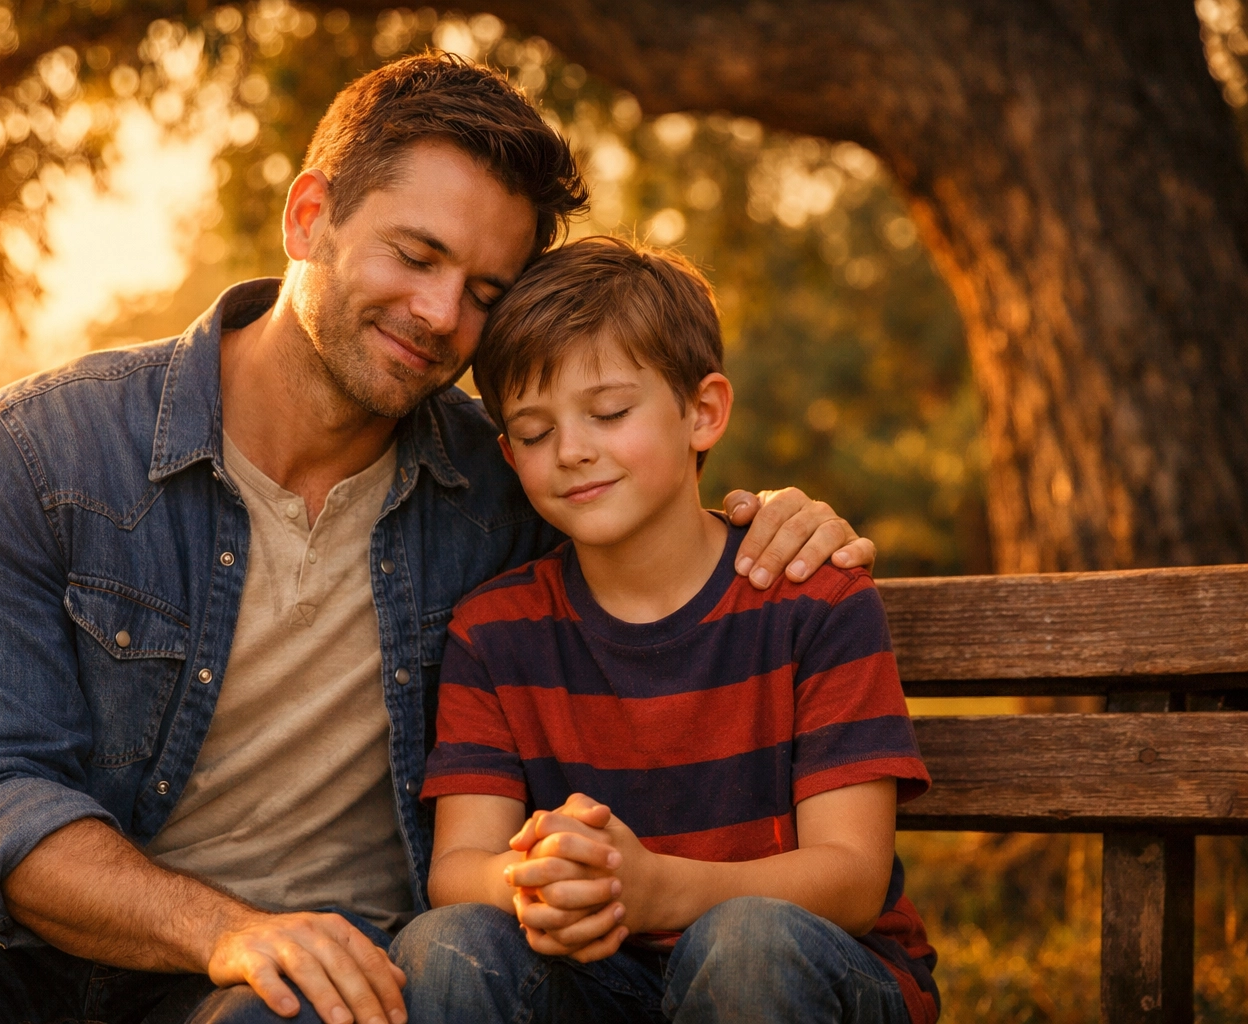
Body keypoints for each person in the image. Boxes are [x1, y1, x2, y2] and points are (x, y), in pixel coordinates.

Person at [0, 57, 875, 1024]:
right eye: (414, 257)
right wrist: (223, 929)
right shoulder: (41, 449)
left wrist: (767, 518)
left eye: (481, 290)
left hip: (314, 981)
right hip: (19, 958)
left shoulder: (497, 478)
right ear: (309, 215)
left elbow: (639, 491)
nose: (439, 316)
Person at [392, 236, 938, 1024]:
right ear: (509, 455)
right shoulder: (495, 632)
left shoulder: (812, 602)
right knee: (444, 945)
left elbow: (852, 880)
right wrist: (541, 878)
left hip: (808, 971)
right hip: (603, 979)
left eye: (609, 412)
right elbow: (458, 869)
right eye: (536, 433)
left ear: (704, 413)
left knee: (747, 945)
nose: (573, 451)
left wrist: (655, 889)